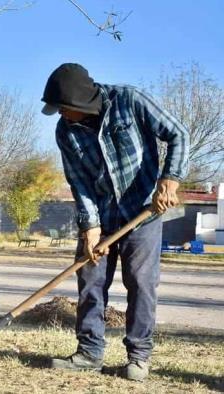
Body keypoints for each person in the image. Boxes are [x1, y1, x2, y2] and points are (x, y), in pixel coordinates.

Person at [41, 63, 189, 381]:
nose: (62, 115)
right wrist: (90, 227)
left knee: (141, 284)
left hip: (142, 213)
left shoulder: (129, 101)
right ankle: (89, 353)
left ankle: (138, 358)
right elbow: (79, 181)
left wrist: (170, 179)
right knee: (90, 283)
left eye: (65, 108)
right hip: (102, 218)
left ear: (80, 102)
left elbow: (178, 134)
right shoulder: (66, 132)